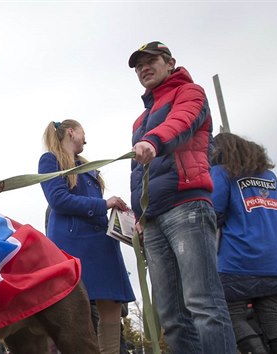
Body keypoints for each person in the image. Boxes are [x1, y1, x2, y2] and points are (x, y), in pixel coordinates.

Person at [127, 41, 235, 354]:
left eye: (151, 61)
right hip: (153, 218)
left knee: (203, 303)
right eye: (138, 65)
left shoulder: (190, 93)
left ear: (170, 63)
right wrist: (138, 215)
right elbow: (139, 171)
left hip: (187, 206)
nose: (144, 68)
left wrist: (154, 140)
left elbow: (182, 122)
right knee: (171, 315)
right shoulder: (139, 120)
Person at [39, 119, 136, 354]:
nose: (86, 138)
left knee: (112, 305)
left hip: (102, 243)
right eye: (84, 132)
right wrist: (104, 203)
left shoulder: (87, 164)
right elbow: (58, 200)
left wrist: (117, 215)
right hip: (73, 244)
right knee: (68, 309)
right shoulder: (50, 159)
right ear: (71, 132)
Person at [211, 132, 277, 354]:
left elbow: (214, 211)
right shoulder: (269, 176)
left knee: (234, 315)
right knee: (271, 318)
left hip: (239, 259)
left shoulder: (221, 173)